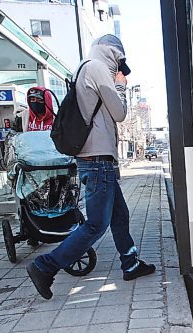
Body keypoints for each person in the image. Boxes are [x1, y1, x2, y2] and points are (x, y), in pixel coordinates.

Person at [26, 34, 155, 300]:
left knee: (120, 216)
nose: (120, 70)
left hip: (97, 160)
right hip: (97, 161)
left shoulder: (85, 67)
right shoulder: (96, 68)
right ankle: (44, 266)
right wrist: (120, 87)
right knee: (96, 224)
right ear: (113, 54)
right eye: (120, 64)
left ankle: (130, 263)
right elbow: (120, 114)